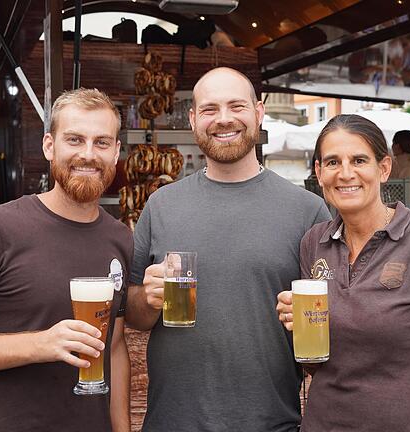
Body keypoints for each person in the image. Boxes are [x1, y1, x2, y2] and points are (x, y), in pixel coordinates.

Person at [125, 67, 331, 431]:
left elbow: (328, 326)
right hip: (173, 422)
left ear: (259, 112)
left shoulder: (307, 210)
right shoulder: (161, 205)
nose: (223, 119)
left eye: (237, 106)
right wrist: (148, 299)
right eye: (209, 109)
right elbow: (136, 317)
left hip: (270, 421)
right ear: (192, 119)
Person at [0, 88, 132, 431]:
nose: (89, 154)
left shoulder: (120, 237)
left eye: (102, 142)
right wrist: (42, 343)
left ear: (116, 152)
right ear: (49, 146)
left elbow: (116, 345)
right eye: (75, 140)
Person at [276, 114, 410, 431]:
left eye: (359, 160)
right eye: (332, 162)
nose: (345, 173)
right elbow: (315, 366)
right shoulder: (313, 243)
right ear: (319, 173)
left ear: (383, 168)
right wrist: (300, 329)